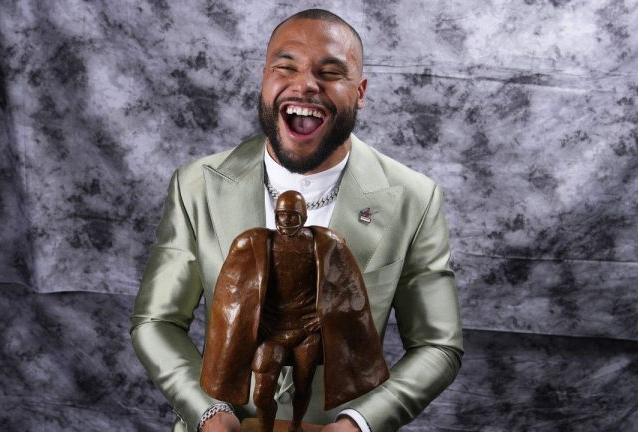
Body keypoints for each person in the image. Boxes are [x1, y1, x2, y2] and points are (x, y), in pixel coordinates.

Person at [130, 8, 463, 432]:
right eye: (286, 67)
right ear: (265, 79)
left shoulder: (416, 198)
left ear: (360, 92)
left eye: (330, 72)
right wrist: (208, 413)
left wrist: (359, 424)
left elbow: (438, 345)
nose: (305, 84)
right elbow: (157, 321)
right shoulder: (194, 185)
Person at [199, 190, 389, 432]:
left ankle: (296, 427)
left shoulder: (324, 244)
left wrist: (323, 316)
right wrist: (257, 320)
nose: (286, 222)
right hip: (272, 332)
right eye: (281, 216)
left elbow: (347, 293)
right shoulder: (257, 243)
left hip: (306, 331)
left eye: (292, 216)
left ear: (304, 216)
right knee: (262, 392)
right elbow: (232, 294)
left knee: (303, 384)